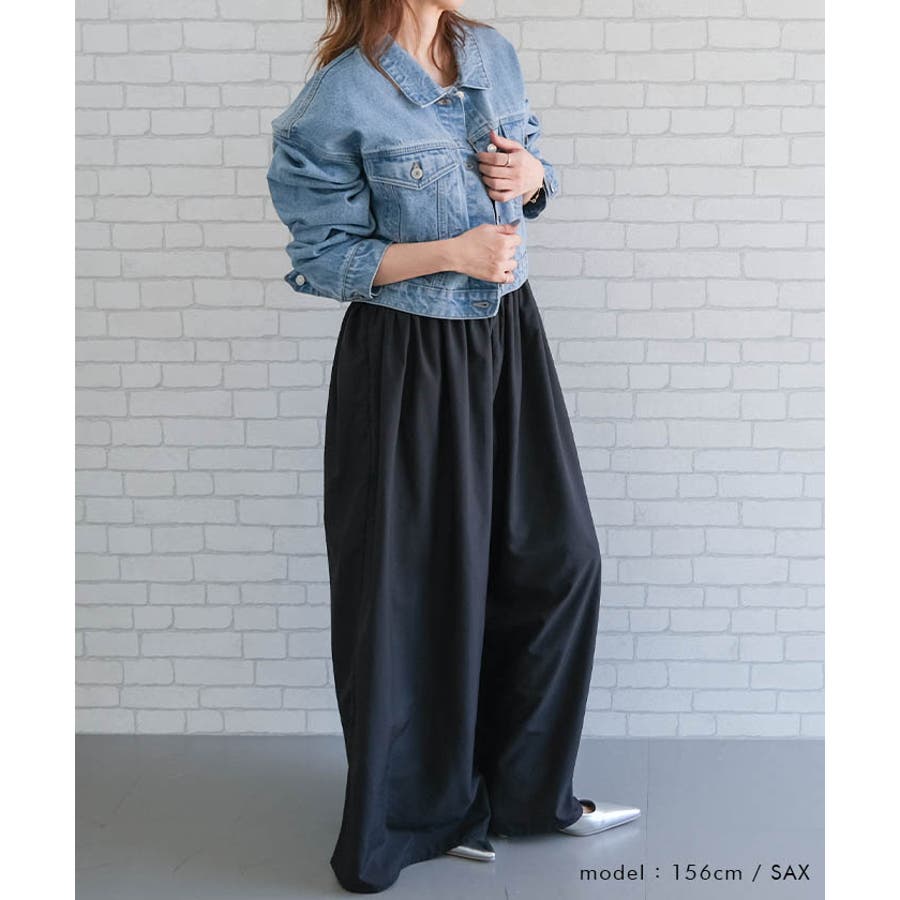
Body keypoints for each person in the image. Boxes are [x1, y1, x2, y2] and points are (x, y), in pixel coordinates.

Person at [266, 1, 640, 893]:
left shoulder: (490, 53)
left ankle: (525, 794)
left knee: (560, 560)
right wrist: (450, 254)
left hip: (509, 337)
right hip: (407, 359)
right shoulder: (335, 101)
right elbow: (321, 257)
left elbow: (528, 174)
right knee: (414, 592)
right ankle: (421, 815)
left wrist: (535, 175)